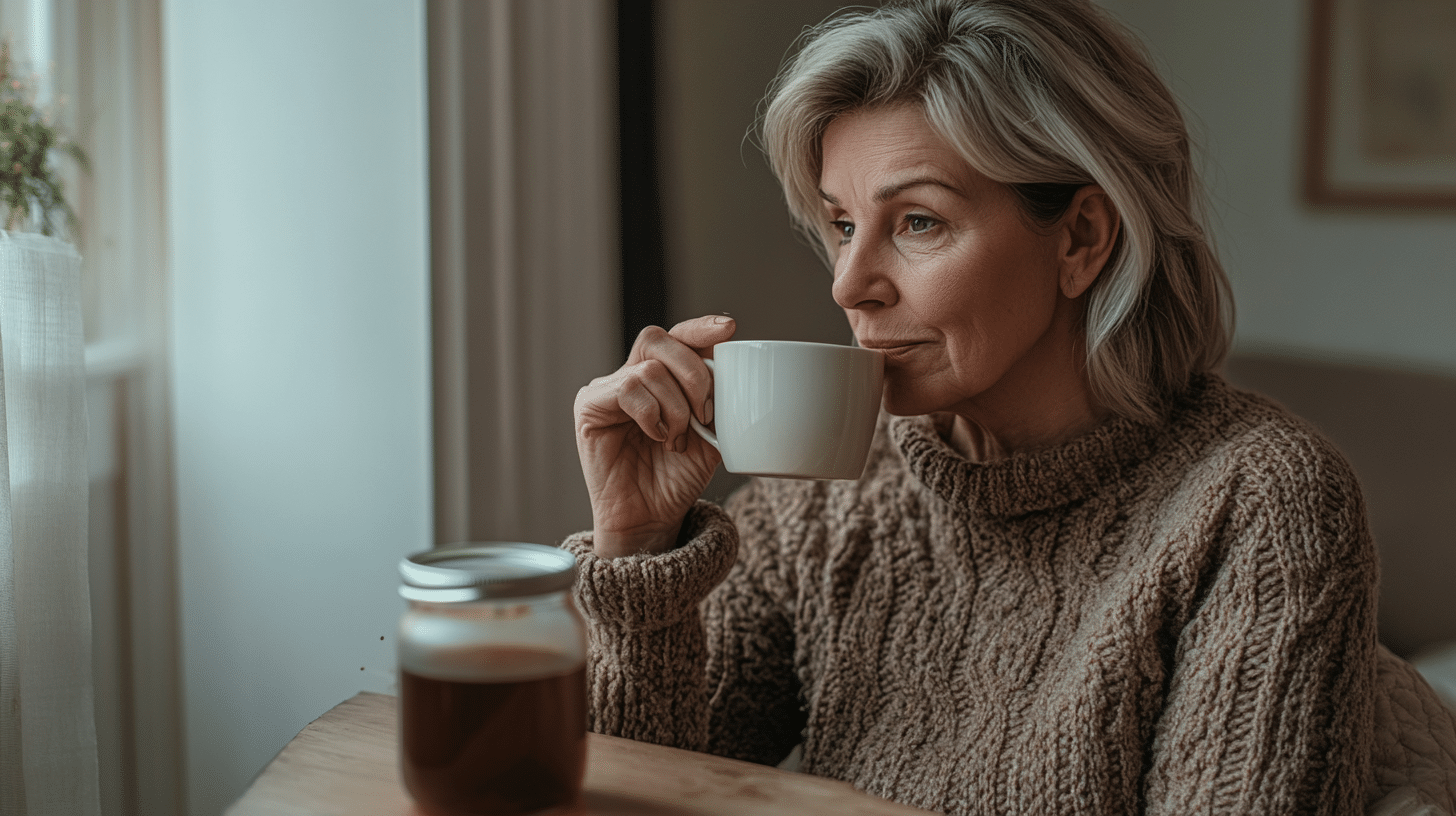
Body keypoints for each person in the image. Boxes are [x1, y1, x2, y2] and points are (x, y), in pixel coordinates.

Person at [568, 0, 1456, 813]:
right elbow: (630, 791)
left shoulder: (1259, 502)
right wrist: (640, 544)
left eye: (917, 221)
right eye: (842, 224)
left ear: (1080, 238)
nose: (850, 283)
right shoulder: (826, 500)